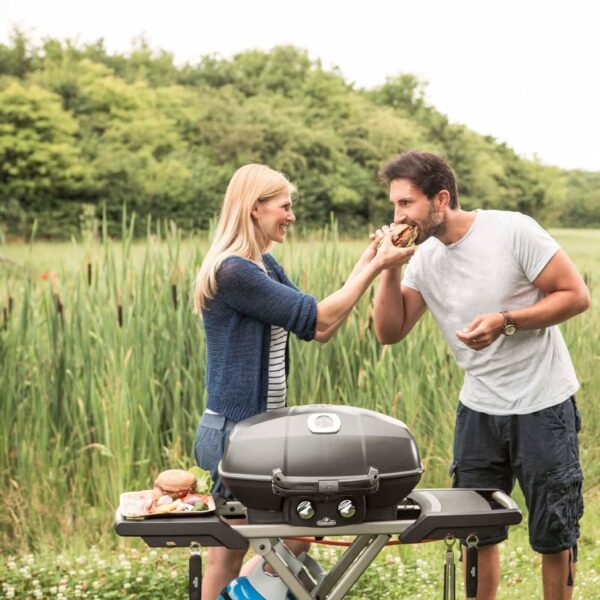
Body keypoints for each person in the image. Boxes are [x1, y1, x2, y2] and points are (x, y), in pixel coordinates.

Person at [372, 150, 591, 600]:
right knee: (476, 529)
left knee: (555, 528)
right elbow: (389, 331)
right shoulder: (424, 258)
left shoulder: (512, 230)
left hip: (542, 404)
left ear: (441, 199)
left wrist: (505, 320)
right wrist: (388, 269)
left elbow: (575, 295)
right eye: (395, 205)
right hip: (478, 410)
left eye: (407, 203)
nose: (398, 215)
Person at [192, 163, 412, 599]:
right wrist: (375, 267)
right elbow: (319, 317)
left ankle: (244, 594)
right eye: (284, 207)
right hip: (235, 432)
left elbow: (320, 328)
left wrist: (369, 260)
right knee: (230, 550)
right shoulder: (233, 273)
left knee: (291, 534)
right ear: (255, 209)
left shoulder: (265, 266)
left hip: (264, 433)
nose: (291, 216)